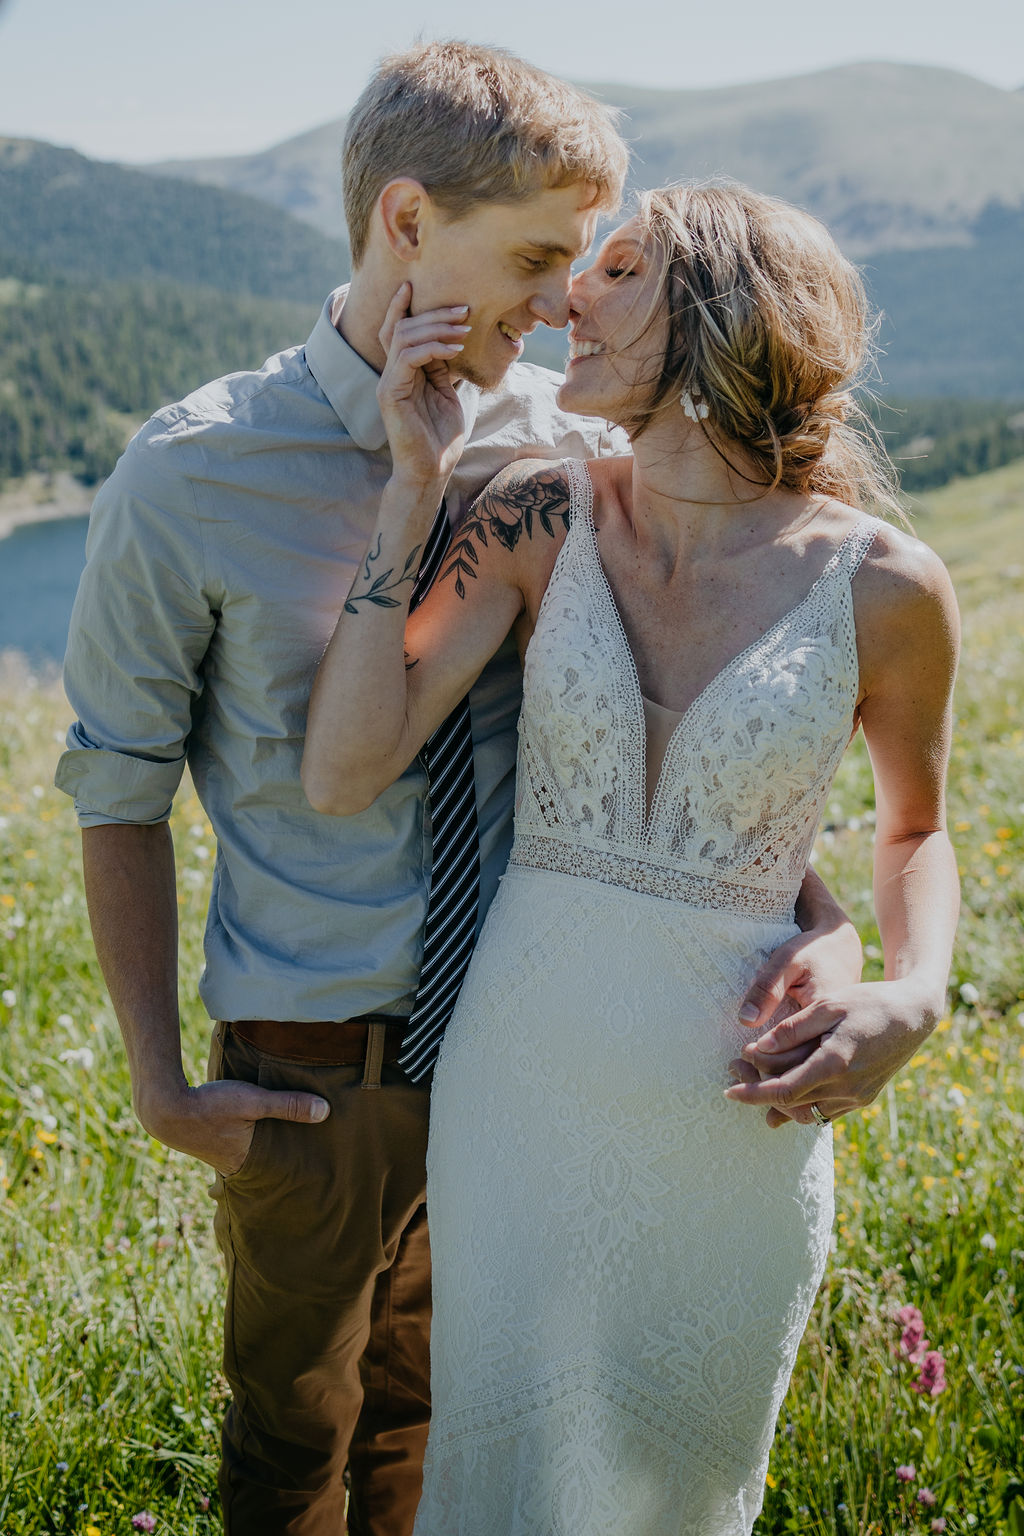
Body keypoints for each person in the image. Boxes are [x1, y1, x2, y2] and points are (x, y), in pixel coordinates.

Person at [56, 41, 858, 1534]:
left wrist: (821, 920)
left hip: (527, 1061)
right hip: (309, 1073)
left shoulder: (568, 456)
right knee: (291, 1443)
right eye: (541, 255)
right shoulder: (192, 473)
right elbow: (117, 788)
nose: (564, 304)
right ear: (409, 223)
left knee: (451, 1435)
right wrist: (163, 1083)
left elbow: (687, 731)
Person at [301, 179, 960, 1533]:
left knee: (684, 1482)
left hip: (738, 1114)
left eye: (620, 270)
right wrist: (413, 490)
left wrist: (916, 990)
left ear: (724, 311)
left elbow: (918, 828)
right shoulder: (539, 516)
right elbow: (345, 764)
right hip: (521, 1097)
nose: (566, 301)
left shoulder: (887, 585)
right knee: (503, 1476)